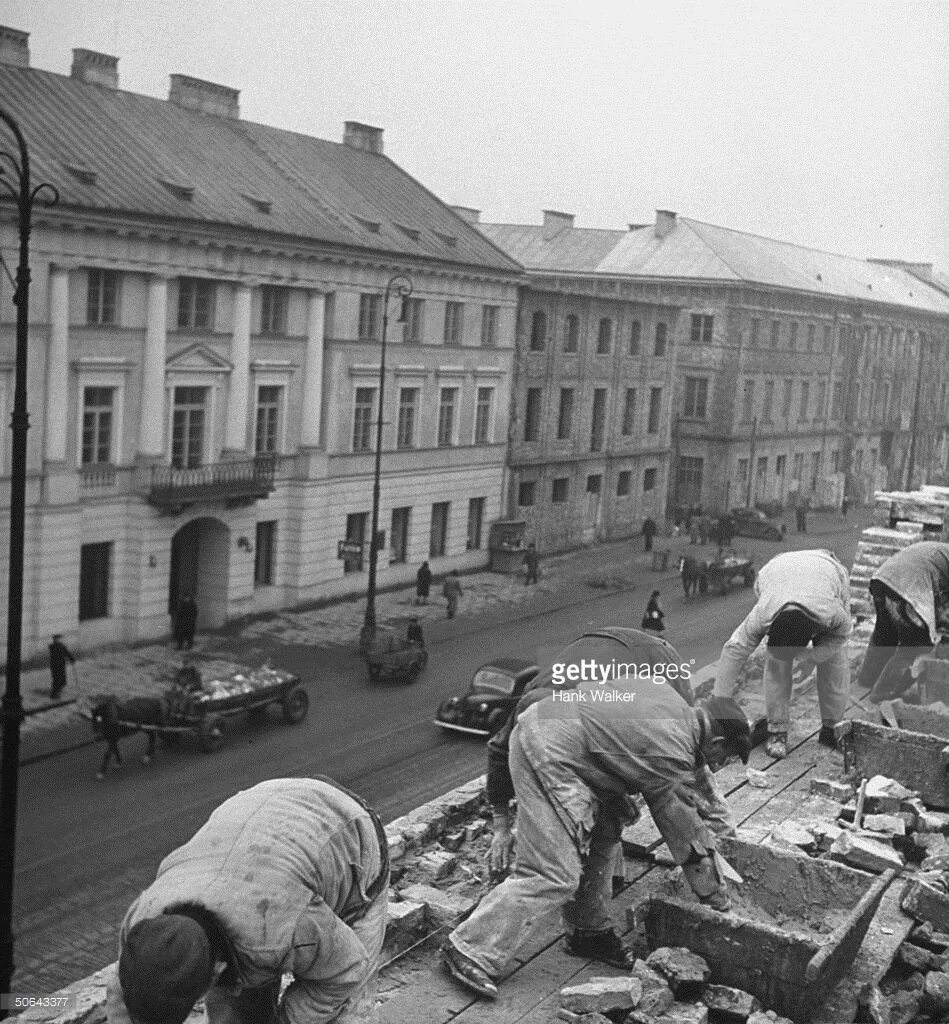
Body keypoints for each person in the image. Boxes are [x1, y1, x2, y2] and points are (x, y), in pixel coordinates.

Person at [441, 627, 750, 1000]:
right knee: (554, 873)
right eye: (726, 758)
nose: (720, 766)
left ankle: (587, 930)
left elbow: (615, 738)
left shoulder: (672, 705)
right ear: (716, 741)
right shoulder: (671, 748)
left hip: (574, 748)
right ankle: (470, 947)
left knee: (610, 822)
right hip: (547, 750)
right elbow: (683, 830)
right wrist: (717, 899)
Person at [106, 777, 388, 1024]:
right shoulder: (142, 924)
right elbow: (122, 993)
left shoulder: (282, 929)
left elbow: (346, 970)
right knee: (234, 1016)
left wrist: (287, 1020)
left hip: (346, 830)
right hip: (262, 818)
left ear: (216, 971)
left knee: (344, 1013)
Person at [713, 549, 852, 760]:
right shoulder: (763, 614)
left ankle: (831, 729)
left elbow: (842, 636)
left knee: (834, 659)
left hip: (828, 570)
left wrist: (814, 657)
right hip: (774, 570)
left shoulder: (832, 613)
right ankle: (777, 730)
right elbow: (734, 649)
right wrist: (719, 700)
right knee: (777, 664)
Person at [857, 541, 949, 703]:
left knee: (885, 632)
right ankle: (881, 695)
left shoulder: (942, 552)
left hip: (883, 578)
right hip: (908, 586)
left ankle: (867, 679)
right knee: (915, 644)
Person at [48, 633, 76, 700]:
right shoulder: (61, 646)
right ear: (56, 639)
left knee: (56, 678)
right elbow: (67, 653)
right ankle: (55, 694)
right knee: (59, 679)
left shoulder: (51, 646)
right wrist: (72, 659)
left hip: (54, 665)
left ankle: (56, 691)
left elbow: (65, 653)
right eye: (58, 639)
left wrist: (71, 658)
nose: (60, 640)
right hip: (60, 665)